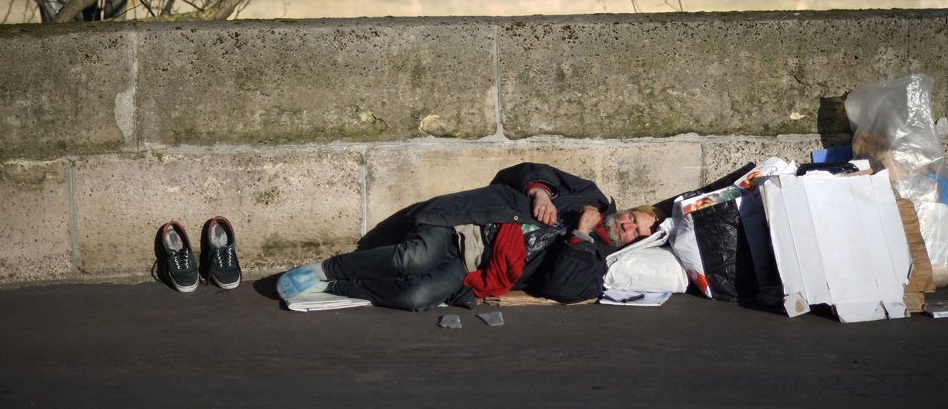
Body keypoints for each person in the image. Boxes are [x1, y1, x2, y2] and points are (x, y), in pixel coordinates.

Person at [276, 162, 662, 311]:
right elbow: (523, 170)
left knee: (418, 296)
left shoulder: (594, 265)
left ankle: (337, 289)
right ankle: (327, 268)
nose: (627, 226)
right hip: (469, 223)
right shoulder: (588, 194)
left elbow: (561, 287)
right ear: (624, 209)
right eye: (632, 217)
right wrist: (540, 191)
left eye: (634, 232)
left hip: (472, 264)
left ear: (631, 244)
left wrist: (579, 235)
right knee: (414, 259)